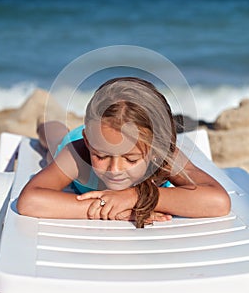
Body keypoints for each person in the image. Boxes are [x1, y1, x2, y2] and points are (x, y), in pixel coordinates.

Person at [17, 77, 231, 228]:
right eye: (101, 157)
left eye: (131, 159)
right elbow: (30, 201)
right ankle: (44, 122)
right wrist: (108, 208)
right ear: (89, 141)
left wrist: (136, 198)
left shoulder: (164, 157)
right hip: (73, 140)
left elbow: (218, 202)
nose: (114, 170)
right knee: (54, 138)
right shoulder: (78, 152)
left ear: (155, 150)